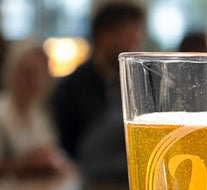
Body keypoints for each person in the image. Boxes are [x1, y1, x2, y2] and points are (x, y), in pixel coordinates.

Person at [52, 1, 145, 161]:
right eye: (129, 39)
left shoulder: (139, 84)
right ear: (104, 36)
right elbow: (63, 150)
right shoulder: (72, 88)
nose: (134, 48)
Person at [0, 38, 70, 176]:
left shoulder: (39, 115)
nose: (34, 81)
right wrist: (25, 164)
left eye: (40, 74)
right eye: (27, 73)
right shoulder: (2, 112)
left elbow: (56, 156)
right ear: (12, 73)